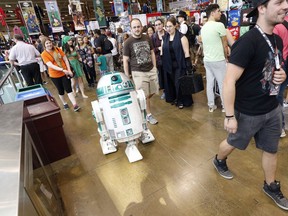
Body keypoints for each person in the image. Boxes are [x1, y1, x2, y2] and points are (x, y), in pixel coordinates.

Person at [213, 0, 288, 210]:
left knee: (271, 149)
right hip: (248, 112)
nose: (285, 6)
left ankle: (270, 185)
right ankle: (219, 160)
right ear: (262, 8)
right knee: (233, 143)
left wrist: (282, 74)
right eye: (279, 2)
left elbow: (274, 66)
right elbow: (229, 81)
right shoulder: (247, 42)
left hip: (272, 108)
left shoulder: (277, 40)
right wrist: (229, 116)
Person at [123, 18, 159, 125]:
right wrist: (126, 76)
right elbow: (125, 60)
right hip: (138, 72)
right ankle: (148, 115)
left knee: (154, 91)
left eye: (138, 26)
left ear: (141, 26)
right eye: (134, 27)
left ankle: (139, 100)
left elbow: (152, 52)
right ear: (131, 29)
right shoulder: (128, 42)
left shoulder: (147, 38)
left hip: (150, 69)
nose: (137, 29)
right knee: (145, 95)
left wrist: (155, 67)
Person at [161, 16, 193, 109]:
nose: (168, 28)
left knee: (178, 83)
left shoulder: (182, 37)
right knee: (171, 84)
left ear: (175, 26)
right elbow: (162, 52)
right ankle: (175, 98)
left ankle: (181, 101)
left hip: (180, 65)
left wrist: (188, 65)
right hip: (168, 65)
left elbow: (186, 52)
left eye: (170, 26)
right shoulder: (164, 38)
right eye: (166, 26)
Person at [201, 4, 228, 112]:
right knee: (222, 84)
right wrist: (226, 57)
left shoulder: (204, 27)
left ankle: (211, 105)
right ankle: (225, 107)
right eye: (218, 11)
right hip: (218, 59)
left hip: (207, 60)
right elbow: (225, 44)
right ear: (212, 13)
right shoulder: (219, 25)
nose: (220, 13)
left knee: (210, 83)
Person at [41, 37, 80, 111]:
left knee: (69, 89)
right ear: (44, 45)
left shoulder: (58, 49)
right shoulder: (44, 54)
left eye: (50, 42)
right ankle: (64, 103)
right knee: (61, 91)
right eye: (47, 43)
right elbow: (50, 65)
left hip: (65, 73)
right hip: (55, 75)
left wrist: (68, 70)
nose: (49, 44)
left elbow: (65, 59)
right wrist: (62, 69)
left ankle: (75, 105)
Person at [273, 15, 288, 138]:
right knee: (280, 94)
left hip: (280, 64)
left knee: (275, 96)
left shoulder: (277, 25)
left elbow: (274, 49)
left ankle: (279, 127)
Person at [152, 18, 166, 99]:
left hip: (168, 59)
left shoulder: (167, 34)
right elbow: (152, 50)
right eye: (156, 25)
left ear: (162, 24)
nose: (158, 26)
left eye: (159, 24)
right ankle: (165, 91)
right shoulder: (153, 37)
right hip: (159, 60)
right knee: (161, 77)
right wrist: (158, 48)